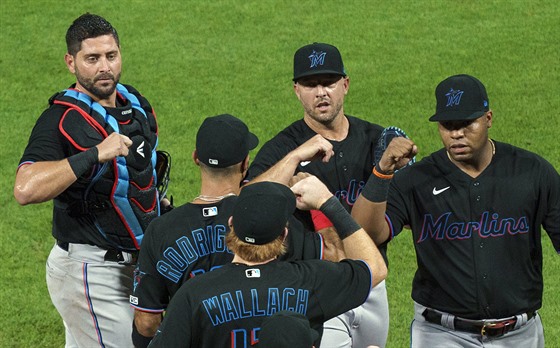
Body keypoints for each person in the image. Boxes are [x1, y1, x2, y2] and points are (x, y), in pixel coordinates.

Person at [352, 74, 560, 348]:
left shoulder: (532, 172)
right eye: (448, 125)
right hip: (442, 334)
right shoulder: (416, 180)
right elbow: (365, 235)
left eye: (466, 123)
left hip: (520, 335)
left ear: (488, 118)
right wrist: (382, 172)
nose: (456, 133)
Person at [13, 13, 165, 347]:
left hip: (135, 263)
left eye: (111, 56)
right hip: (89, 270)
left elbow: (138, 176)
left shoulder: (135, 103)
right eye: (92, 58)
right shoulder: (59, 119)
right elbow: (25, 188)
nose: (104, 67)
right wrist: (93, 154)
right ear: (71, 62)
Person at [130, 114, 339, 347]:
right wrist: (319, 205)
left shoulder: (161, 230)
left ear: (196, 158)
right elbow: (334, 256)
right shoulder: (269, 221)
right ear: (245, 163)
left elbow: (146, 322)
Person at [245, 42, 392, 347]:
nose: (321, 92)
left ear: (345, 85)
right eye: (311, 84)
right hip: (316, 288)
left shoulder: (375, 140)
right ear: (296, 90)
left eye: (328, 83)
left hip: (372, 282)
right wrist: (296, 156)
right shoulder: (283, 147)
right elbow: (248, 201)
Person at [148, 178, 388, 347]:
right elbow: (375, 268)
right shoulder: (311, 281)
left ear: (231, 225)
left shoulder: (194, 293)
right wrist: (327, 202)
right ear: (284, 235)